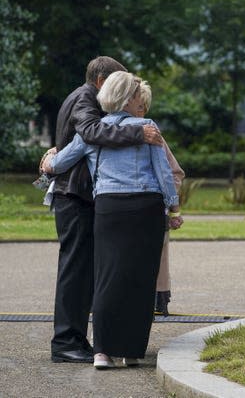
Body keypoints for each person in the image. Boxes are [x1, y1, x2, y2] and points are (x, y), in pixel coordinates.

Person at [42, 71, 182, 369]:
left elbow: (60, 163)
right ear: (128, 98)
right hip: (146, 207)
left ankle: (102, 352)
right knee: (140, 281)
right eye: (136, 95)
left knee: (106, 278)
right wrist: (174, 207)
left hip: (108, 208)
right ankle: (131, 352)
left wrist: (48, 159)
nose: (140, 100)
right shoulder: (147, 128)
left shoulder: (92, 131)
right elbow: (164, 174)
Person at [136, 80, 185, 316]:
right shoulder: (109, 131)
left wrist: (168, 203)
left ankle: (159, 298)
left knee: (158, 256)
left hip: (154, 206)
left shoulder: (153, 134)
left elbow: (173, 172)